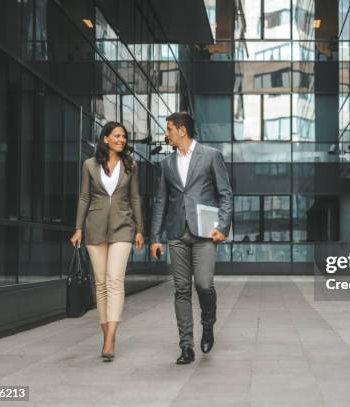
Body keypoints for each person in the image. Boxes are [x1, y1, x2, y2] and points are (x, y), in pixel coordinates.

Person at [150, 111, 233, 364]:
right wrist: (155, 236)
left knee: (204, 285)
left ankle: (208, 324)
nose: (166, 134)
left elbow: (226, 194)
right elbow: (161, 201)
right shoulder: (166, 164)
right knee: (182, 290)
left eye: (169, 129)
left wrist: (223, 226)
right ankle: (186, 346)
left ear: (182, 130)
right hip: (176, 233)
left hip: (205, 232)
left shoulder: (211, 156)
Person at [69, 121, 144, 361]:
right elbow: (84, 198)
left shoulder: (131, 165)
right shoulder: (89, 165)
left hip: (123, 229)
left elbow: (135, 198)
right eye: (117, 136)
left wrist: (140, 230)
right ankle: (106, 336)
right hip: (95, 229)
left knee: (115, 281)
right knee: (100, 284)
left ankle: (110, 339)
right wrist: (78, 228)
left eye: (124, 136)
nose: (122, 140)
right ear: (105, 139)